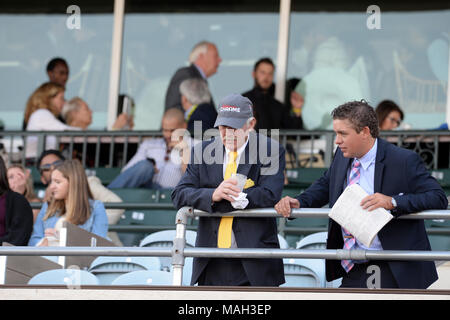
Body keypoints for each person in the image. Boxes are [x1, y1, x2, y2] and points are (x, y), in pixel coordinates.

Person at [274, 100, 448, 289]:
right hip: (355, 263)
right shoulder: (342, 155)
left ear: (365, 132)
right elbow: (326, 184)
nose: (337, 140)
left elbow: (438, 198)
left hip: (395, 264)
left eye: (343, 134)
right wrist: (299, 201)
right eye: (336, 133)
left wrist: (392, 202)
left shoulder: (404, 160)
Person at [172, 93, 286, 286]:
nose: (227, 134)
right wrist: (213, 195)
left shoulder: (271, 149)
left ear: (250, 124)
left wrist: (233, 197)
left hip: (254, 260)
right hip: (211, 259)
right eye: (223, 127)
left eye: (234, 127)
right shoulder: (202, 150)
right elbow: (179, 194)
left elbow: (270, 194)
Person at [36, 150, 124, 238]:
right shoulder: (48, 205)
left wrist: (93, 221)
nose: (53, 168)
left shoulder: (89, 184)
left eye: (57, 163)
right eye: (46, 168)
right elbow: (36, 238)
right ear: (42, 179)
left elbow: (116, 206)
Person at [108, 108, 195, 189]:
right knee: (146, 166)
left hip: (172, 194)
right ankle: (104, 198)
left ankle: (102, 198)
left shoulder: (195, 145)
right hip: (147, 191)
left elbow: (194, 182)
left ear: (184, 126)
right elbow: (126, 172)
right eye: (165, 130)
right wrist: (149, 169)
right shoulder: (149, 145)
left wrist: (184, 152)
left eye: (172, 130)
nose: (168, 135)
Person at [28, 159, 109, 246]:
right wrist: (42, 243)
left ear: (73, 183)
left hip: (78, 259)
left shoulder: (96, 207)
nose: (51, 187)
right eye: (52, 181)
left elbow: (98, 245)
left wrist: (61, 238)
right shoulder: (48, 206)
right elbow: (34, 240)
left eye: (57, 182)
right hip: (48, 258)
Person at [23, 82, 81, 160]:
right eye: (61, 98)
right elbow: (65, 130)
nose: (64, 102)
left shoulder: (42, 114)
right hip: (35, 161)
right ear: (49, 98)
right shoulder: (42, 113)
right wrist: (85, 131)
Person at [242, 57, 303, 131]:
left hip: (272, 142)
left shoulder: (278, 106)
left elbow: (294, 132)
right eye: (263, 72)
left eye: (270, 73)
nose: (266, 77)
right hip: (251, 142)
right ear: (254, 74)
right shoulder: (242, 101)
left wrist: (297, 109)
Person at [165, 41, 221, 111]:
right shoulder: (186, 75)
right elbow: (176, 111)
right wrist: (198, 122)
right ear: (201, 56)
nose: (220, 60)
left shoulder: (195, 77)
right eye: (215, 56)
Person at [0, 157, 34, 246]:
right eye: (10, 177)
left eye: (11, 177)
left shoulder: (19, 202)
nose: (12, 180)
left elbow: (17, 238)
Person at [62, 96, 134, 130]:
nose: (91, 111)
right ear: (74, 113)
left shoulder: (83, 134)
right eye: (86, 109)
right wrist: (115, 128)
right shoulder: (70, 136)